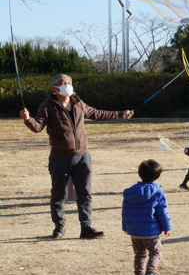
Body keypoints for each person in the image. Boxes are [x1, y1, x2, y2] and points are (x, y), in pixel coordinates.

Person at [19, 74, 134, 239]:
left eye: (69, 82)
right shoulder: (47, 106)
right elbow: (37, 127)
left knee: (85, 193)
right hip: (60, 157)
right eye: (63, 83)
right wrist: (28, 119)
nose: (67, 85)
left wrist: (121, 114)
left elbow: (97, 113)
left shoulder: (78, 103)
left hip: (82, 156)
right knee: (58, 194)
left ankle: (86, 227)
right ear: (54, 88)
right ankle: (59, 227)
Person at [122, 160, 173, 275]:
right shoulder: (158, 192)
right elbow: (162, 212)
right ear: (159, 176)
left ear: (139, 174)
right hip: (150, 231)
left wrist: (125, 226)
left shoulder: (130, 192)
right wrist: (167, 227)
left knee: (140, 254)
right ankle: (150, 274)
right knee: (155, 252)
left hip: (134, 231)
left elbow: (125, 211)